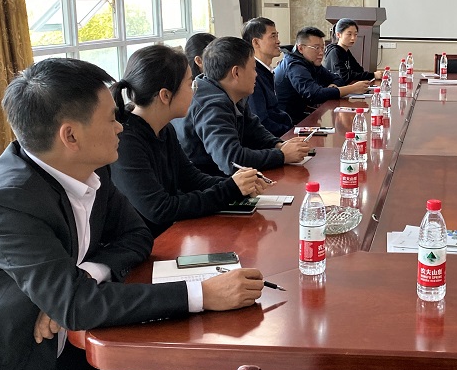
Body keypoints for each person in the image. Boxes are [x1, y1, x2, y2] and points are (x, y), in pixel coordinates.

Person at [0, 58, 264, 370]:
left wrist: (85, 275)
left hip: (78, 339)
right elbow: (77, 305)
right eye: (111, 119)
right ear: (70, 136)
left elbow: (137, 235)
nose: (120, 126)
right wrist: (202, 293)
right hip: (19, 358)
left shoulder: (90, 169)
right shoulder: (8, 202)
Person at [111, 45, 269, 238]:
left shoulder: (164, 129)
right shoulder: (126, 141)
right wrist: (231, 189)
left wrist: (240, 184)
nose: (195, 91)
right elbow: (160, 209)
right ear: (165, 95)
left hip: (171, 235)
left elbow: (192, 179)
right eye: (190, 84)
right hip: (149, 245)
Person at [174, 37, 311, 176]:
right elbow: (232, 161)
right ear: (236, 73)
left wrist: (279, 145)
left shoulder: (231, 92)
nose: (256, 75)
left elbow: (254, 130)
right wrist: (282, 155)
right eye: (253, 69)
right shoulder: (211, 105)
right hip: (209, 181)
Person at [275, 26, 372, 123]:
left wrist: (333, 86)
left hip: (304, 116)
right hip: (287, 122)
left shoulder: (311, 62)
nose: (321, 52)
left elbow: (338, 78)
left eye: (323, 47)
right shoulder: (294, 65)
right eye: (316, 48)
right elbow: (315, 94)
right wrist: (352, 88)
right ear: (301, 48)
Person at [242, 17, 294, 136]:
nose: (278, 41)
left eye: (277, 36)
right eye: (273, 36)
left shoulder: (266, 71)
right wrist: (289, 131)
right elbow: (261, 122)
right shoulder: (252, 75)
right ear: (256, 42)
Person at [322, 18, 382, 84]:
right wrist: (373, 75)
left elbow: (359, 70)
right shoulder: (334, 52)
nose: (353, 38)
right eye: (349, 34)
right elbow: (344, 76)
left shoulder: (345, 51)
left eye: (355, 34)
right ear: (338, 35)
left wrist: (370, 75)